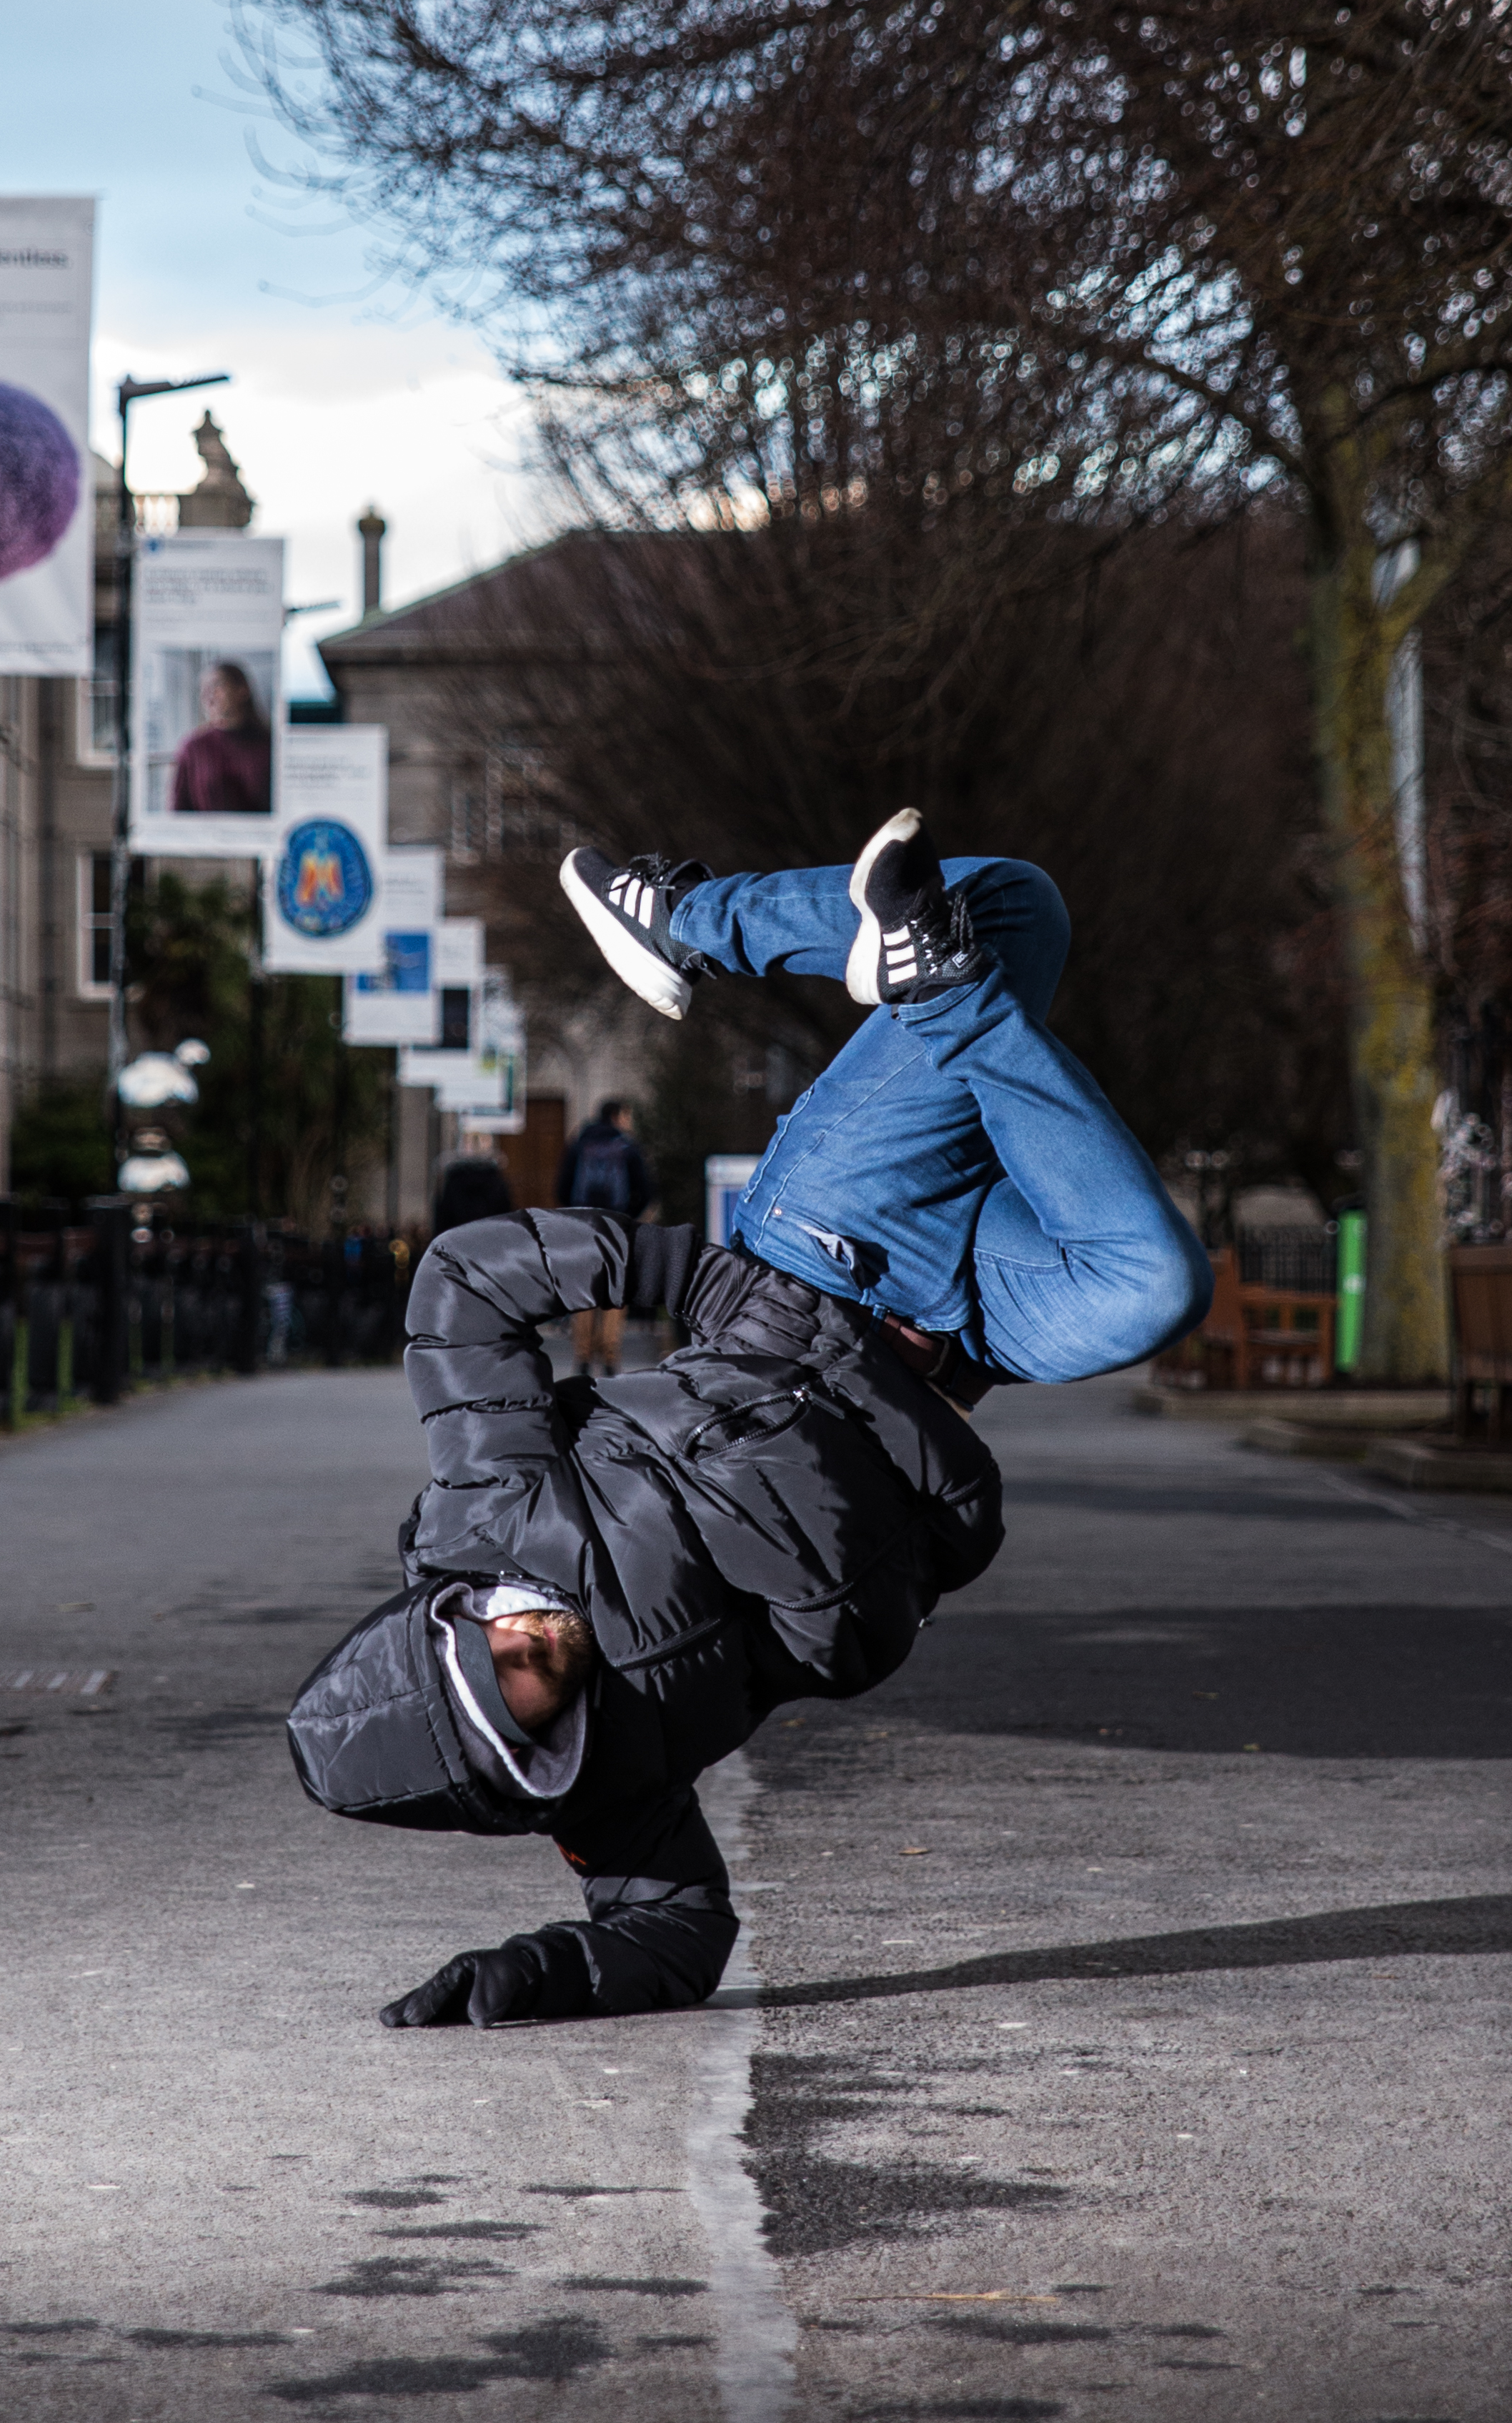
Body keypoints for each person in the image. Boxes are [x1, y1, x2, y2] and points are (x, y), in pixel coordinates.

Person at [286, 809, 1207, 2030]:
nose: (540, 1660)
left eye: (500, 1655)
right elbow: (675, 1935)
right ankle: (909, 982)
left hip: (829, 1243)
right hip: (954, 1354)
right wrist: (535, 1974)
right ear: (532, 1768)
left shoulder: (487, 1504)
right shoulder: (613, 1786)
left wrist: (703, 1282)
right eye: (534, 1711)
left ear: (457, 1617)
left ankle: (697, 924)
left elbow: (462, 1286)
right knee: (1150, 1283)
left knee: (1012, 907)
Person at [553, 1099, 653, 1371]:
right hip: (616, 1227)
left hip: (583, 1227)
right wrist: (628, 1215)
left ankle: (583, 1354)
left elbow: (562, 1188)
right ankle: (609, 1355)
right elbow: (645, 1190)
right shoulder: (627, 1147)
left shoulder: (579, 1144)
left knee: (584, 1290)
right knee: (615, 1289)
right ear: (617, 1116)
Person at [170, 661, 272, 815]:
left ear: (242, 690)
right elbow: (178, 811)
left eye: (216, 686)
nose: (208, 695)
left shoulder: (270, 744)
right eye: (203, 689)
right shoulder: (193, 747)